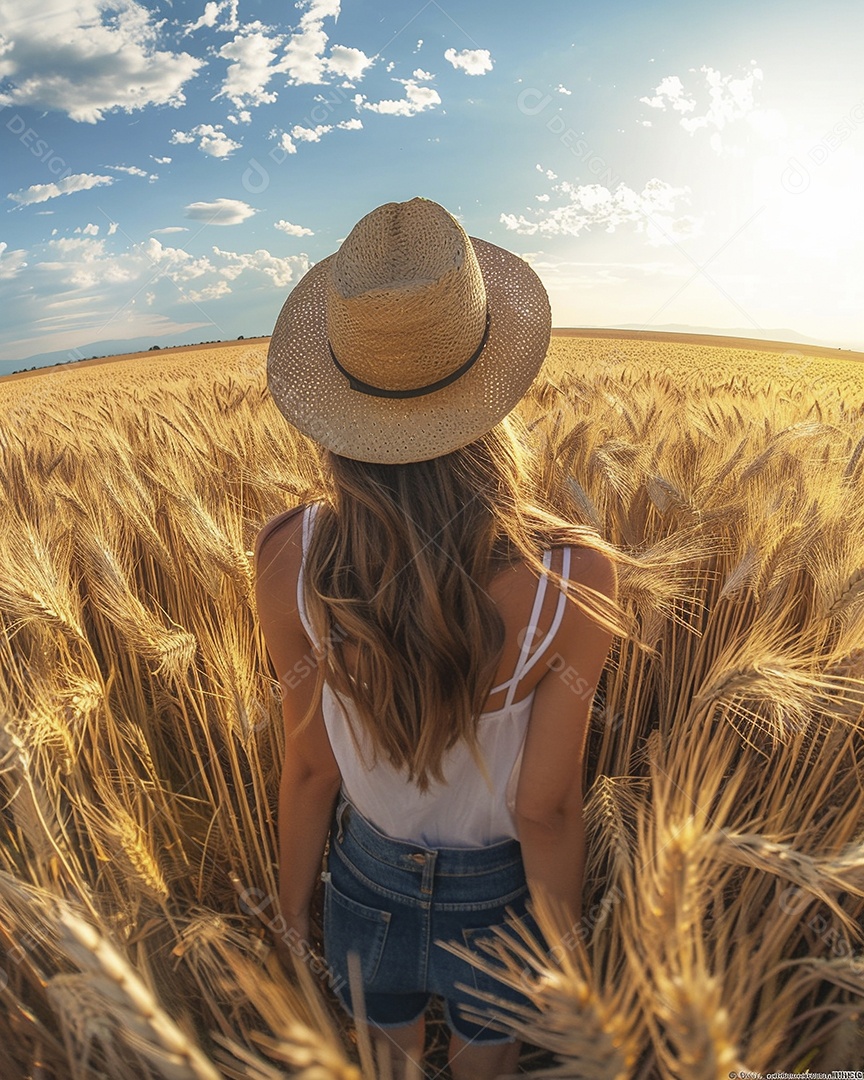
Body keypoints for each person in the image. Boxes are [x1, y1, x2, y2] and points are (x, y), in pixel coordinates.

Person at [253, 198, 622, 1079]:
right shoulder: (572, 582)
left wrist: (285, 909)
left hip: (365, 881)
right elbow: (546, 809)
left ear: (340, 405)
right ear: (492, 382)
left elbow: (309, 767)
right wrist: (562, 961)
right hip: (498, 897)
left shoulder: (287, 553)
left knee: (386, 1062)